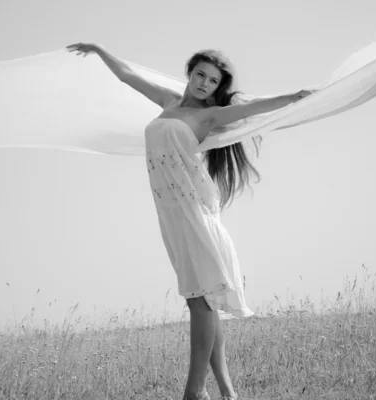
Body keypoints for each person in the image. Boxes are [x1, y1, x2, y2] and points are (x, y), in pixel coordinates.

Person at [67, 43, 313, 400]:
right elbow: (128, 76)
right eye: (200, 74)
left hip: (193, 208)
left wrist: (292, 96)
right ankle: (227, 392)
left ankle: (193, 393)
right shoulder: (168, 102)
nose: (204, 84)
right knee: (201, 302)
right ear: (190, 72)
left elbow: (252, 108)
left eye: (213, 81)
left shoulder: (209, 116)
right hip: (170, 212)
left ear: (217, 88)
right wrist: (99, 50)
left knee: (201, 301)